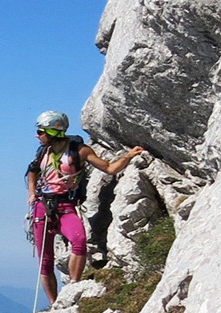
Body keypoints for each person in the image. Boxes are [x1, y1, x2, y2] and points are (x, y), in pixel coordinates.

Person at [27, 111, 144, 301]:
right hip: (43, 207)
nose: (37, 135)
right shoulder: (43, 152)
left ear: (53, 132)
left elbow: (109, 168)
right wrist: (32, 194)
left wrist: (128, 156)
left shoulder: (80, 151)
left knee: (79, 240)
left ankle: (73, 287)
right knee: (45, 261)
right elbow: (32, 171)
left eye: (41, 132)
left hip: (65, 205)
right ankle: (54, 304)